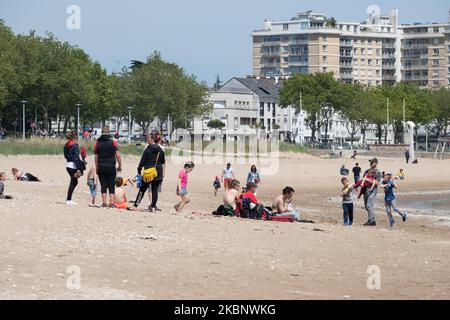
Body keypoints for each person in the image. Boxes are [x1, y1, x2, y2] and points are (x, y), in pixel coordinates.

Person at [131, 132, 166, 212]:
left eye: (148, 138)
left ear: (152, 139)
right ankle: (153, 207)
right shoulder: (160, 149)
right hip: (158, 171)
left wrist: (139, 170)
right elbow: (163, 161)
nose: (147, 140)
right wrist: (163, 173)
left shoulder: (148, 148)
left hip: (149, 171)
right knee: (155, 190)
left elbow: (142, 160)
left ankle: (135, 205)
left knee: (142, 190)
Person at [94, 126, 122, 208]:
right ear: (109, 132)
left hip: (101, 165)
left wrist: (97, 167)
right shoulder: (113, 141)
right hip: (111, 165)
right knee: (111, 184)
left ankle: (104, 203)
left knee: (103, 184)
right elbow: (118, 155)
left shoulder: (97, 142)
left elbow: (96, 156)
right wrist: (120, 165)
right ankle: (111, 203)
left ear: (102, 132)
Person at [63, 131, 84, 206]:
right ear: (74, 137)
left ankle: (69, 199)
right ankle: (68, 200)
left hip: (68, 165)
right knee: (74, 181)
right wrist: (78, 168)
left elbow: (65, 156)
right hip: (73, 166)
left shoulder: (66, 145)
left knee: (74, 181)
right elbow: (76, 158)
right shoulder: (75, 146)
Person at [362, 158, 382, 226]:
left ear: (376, 163)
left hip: (373, 190)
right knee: (366, 206)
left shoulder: (378, 172)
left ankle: (371, 221)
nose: (371, 163)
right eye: (370, 162)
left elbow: (376, 183)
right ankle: (372, 219)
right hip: (365, 190)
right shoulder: (366, 171)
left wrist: (367, 180)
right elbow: (363, 180)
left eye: (372, 162)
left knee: (369, 205)